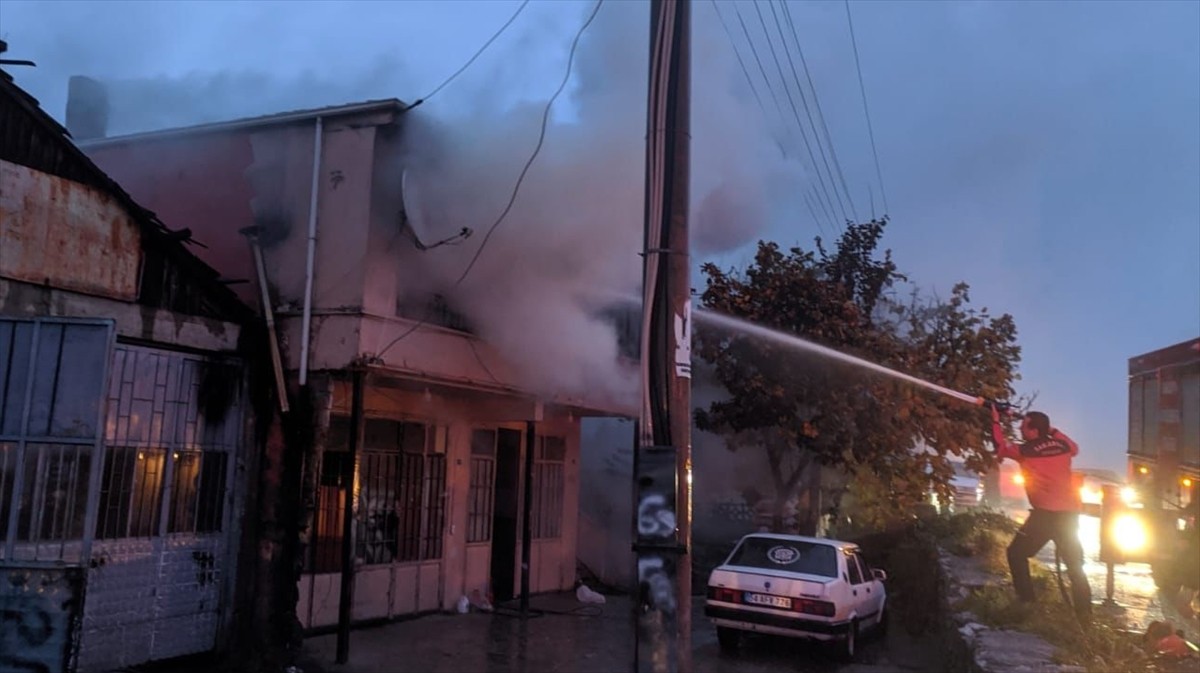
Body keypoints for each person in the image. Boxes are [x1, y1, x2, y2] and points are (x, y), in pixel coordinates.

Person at [991, 406, 1093, 620]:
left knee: (1017, 554)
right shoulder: (1064, 446)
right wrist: (1049, 430)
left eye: (1024, 426)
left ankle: (1027, 602)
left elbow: (999, 444)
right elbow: (1075, 447)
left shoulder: (1025, 451)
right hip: (1069, 516)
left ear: (1034, 431)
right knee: (1075, 567)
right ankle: (1085, 618)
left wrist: (995, 418)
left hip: (1044, 516)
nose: (1020, 428)